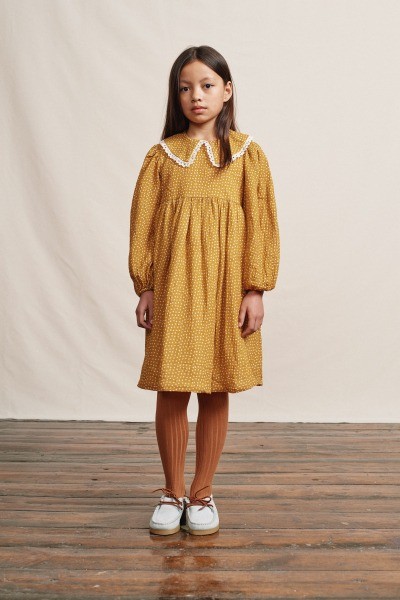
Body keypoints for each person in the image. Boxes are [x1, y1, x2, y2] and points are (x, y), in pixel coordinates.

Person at [128, 45, 280, 536]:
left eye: (207, 85)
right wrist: (146, 285)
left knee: (216, 386)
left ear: (227, 90)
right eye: (185, 87)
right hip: (174, 289)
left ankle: (202, 494)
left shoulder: (247, 155)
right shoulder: (161, 157)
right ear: (176, 95)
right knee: (172, 387)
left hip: (225, 290)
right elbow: (143, 227)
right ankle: (172, 492)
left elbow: (262, 225)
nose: (196, 96)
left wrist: (255, 289)